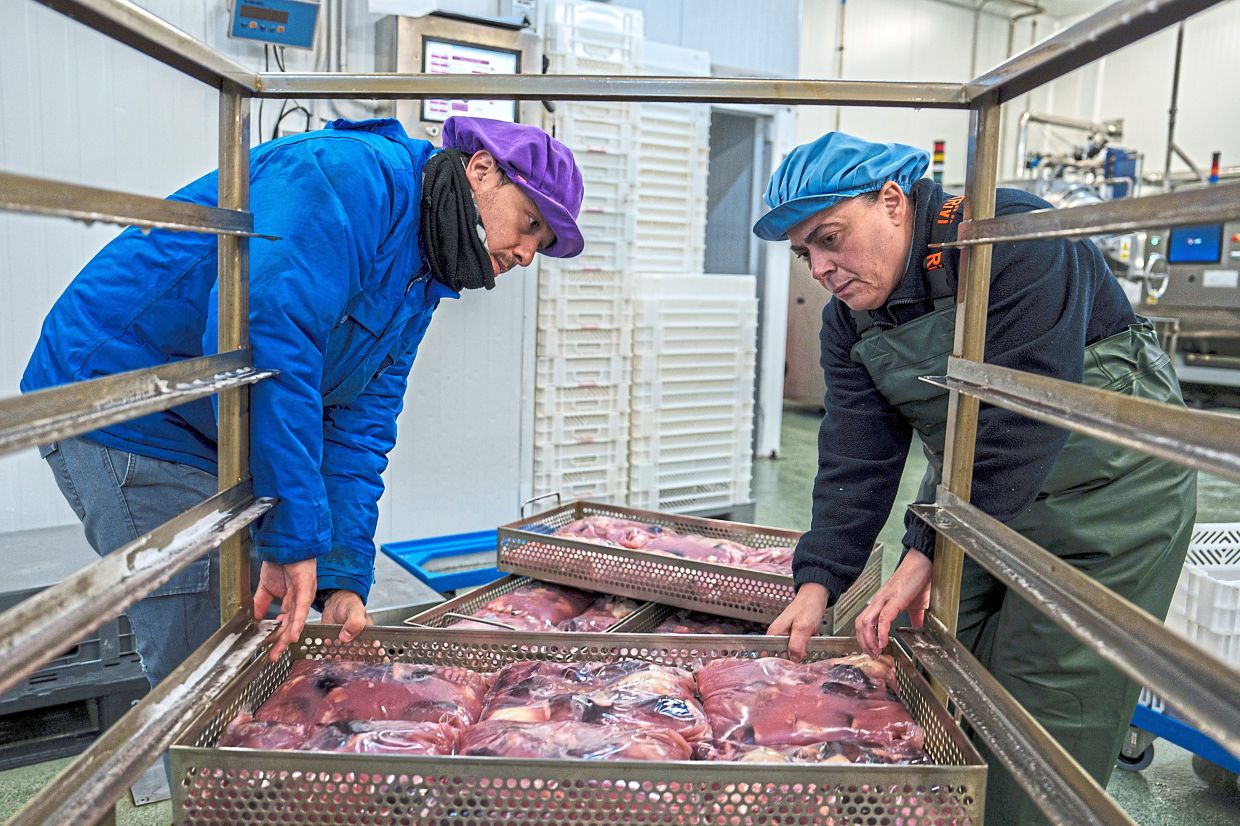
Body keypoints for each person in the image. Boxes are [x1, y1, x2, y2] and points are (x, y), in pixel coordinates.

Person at [23, 115, 585, 684]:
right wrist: (293, 535)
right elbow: (263, 338)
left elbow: (357, 427)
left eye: (542, 244)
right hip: (125, 397)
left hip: (207, 421)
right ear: (482, 169)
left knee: (250, 627)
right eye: (530, 222)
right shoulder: (349, 177)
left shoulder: (420, 276)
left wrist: (341, 577)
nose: (526, 254)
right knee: (206, 653)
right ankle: (212, 769)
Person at [758, 132, 1195, 824]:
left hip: (1108, 502)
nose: (821, 268)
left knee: (1040, 716)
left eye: (830, 238)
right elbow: (856, 457)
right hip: (977, 496)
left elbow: (1024, 416)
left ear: (894, 202)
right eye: (805, 252)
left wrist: (925, 548)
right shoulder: (850, 322)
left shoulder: (1011, 240)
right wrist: (820, 580)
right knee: (922, 672)